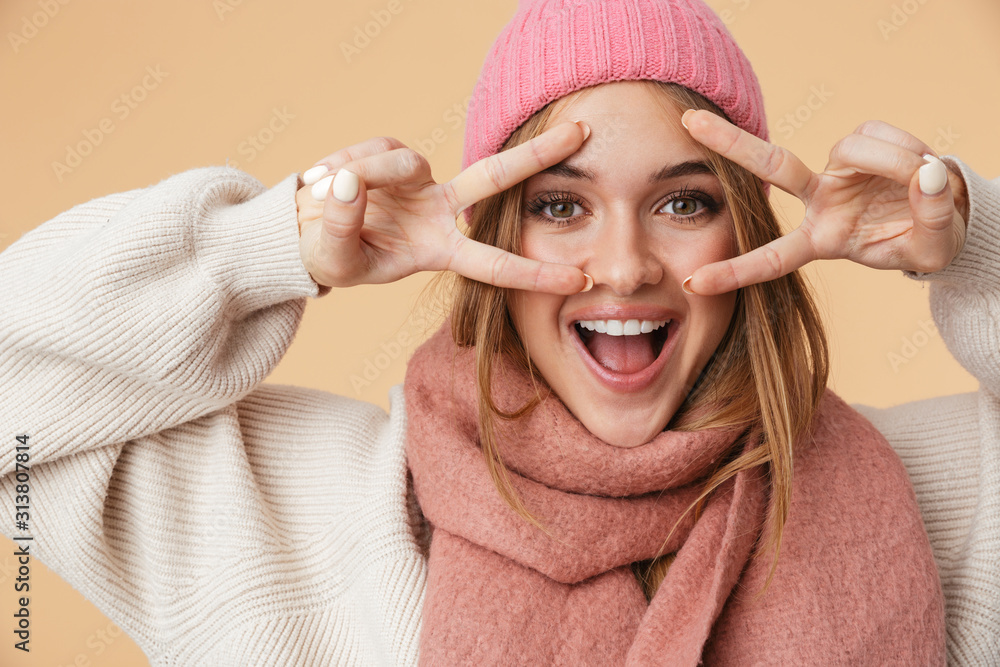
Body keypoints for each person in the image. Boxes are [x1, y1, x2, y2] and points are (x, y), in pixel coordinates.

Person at [1, 0, 996, 664]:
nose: (623, 265)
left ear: (748, 225)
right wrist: (271, 248)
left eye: (683, 203)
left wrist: (966, 249)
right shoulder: (304, 507)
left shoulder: (928, 492)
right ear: (490, 237)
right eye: (559, 205)